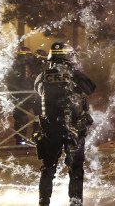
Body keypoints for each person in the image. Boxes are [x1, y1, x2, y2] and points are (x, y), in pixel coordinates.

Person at [35, 42, 96, 206]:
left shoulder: (43, 76)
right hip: (74, 128)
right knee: (75, 168)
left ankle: (44, 202)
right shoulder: (75, 75)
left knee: (48, 167)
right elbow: (91, 89)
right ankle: (75, 202)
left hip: (50, 128)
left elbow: (39, 91)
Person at [5, 46, 38, 144]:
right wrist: (16, 94)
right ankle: (20, 140)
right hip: (19, 96)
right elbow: (11, 81)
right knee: (21, 118)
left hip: (33, 94)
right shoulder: (14, 66)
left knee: (38, 118)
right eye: (25, 55)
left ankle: (37, 139)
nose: (27, 57)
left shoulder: (34, 65)